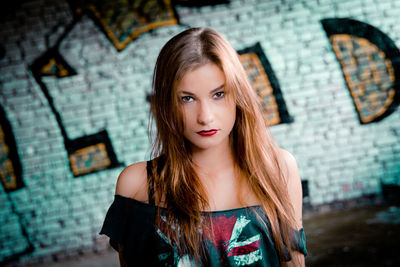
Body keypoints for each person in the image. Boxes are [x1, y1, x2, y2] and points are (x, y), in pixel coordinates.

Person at [99, 27, 307, 266]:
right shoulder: (137, 185)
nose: (205, 117)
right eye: (187, 98)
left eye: (218, 94)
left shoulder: (278, 169)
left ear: (239, 95)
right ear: (168, 105)